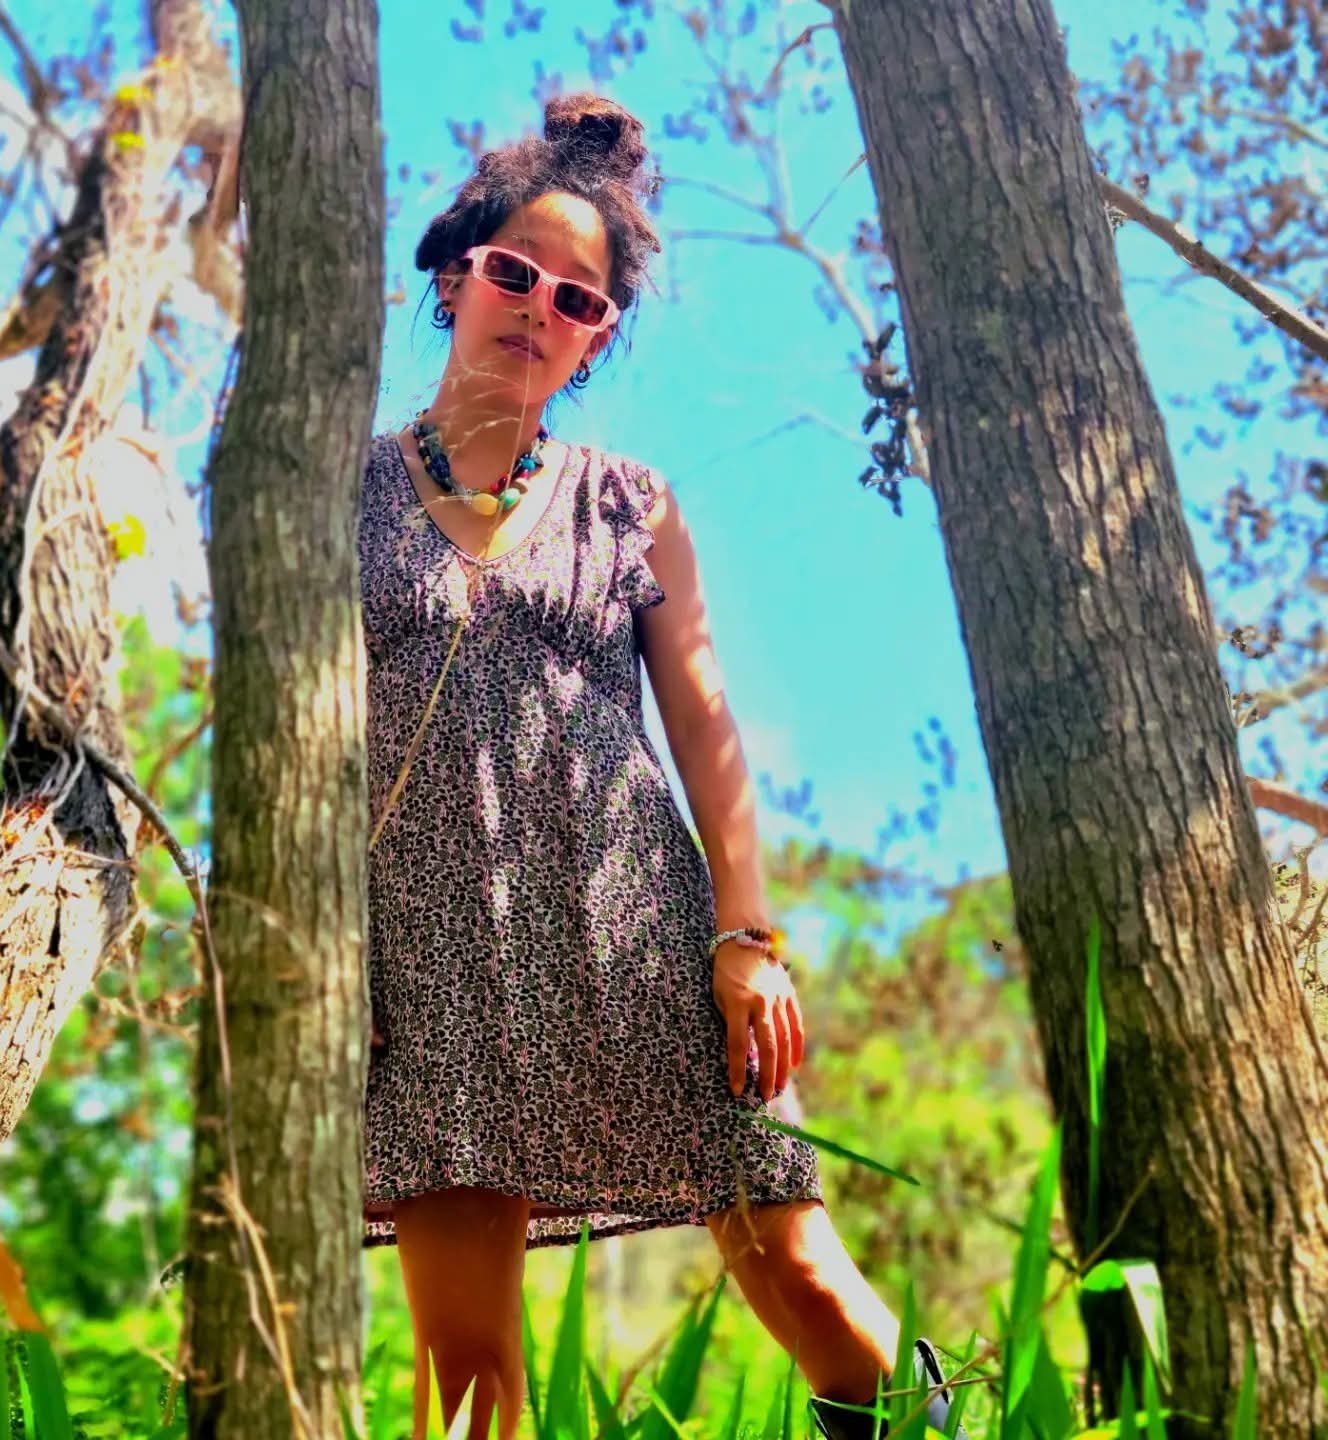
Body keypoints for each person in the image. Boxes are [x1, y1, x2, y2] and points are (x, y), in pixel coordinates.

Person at [356, 92, 970, 1440]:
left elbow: (703, 720)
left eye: (578, 301)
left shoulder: (630, 500)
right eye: (516, 274)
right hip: (429, 950)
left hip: (640, 927)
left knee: (799, 1268)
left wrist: (748, 935)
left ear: (598, 339)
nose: (539, 308)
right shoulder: (342, 496)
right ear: (459, 277)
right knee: (468, 1381)